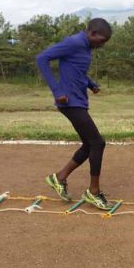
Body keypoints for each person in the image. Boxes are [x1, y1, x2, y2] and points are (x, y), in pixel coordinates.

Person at [36, 18, 113, 210]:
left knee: (89, 144)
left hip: (78, 100)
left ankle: (59, 177)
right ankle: (93, 192)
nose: (102, 45)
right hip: (69, 101)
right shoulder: (74, 42)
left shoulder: (85, 47)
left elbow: (76, 70)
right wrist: (56, 90)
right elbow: (41, 58)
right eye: (101, 41)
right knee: (98, 142)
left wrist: (91, 83)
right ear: (92, 33)